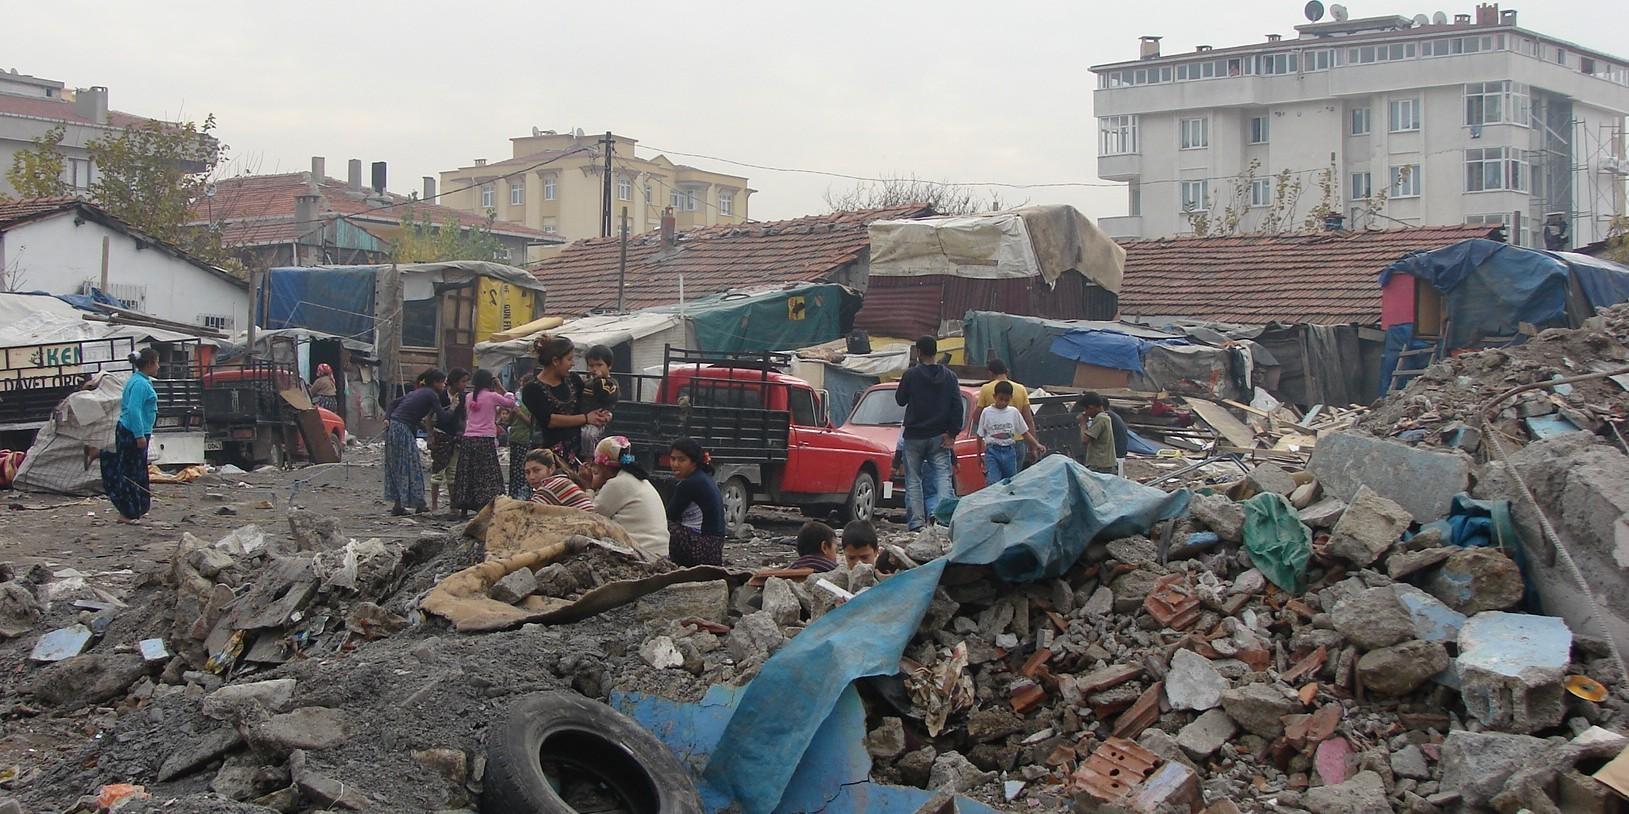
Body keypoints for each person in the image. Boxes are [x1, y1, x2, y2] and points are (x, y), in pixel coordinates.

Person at [895, 336, 962, 531]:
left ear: (919, 352)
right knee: (943, 477)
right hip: (939, 437)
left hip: (914, 436)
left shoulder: (911, 375)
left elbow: (900, 399)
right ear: (935, 352)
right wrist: (952, 433)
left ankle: (916, 523)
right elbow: (957, 407)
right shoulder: (950, 377)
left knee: (913, 480)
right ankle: (943, 520)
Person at [521, 336, 610, 478]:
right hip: (551, 457)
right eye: (569, 359)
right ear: (556, 361)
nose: (572, 364)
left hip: (580, 450)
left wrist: (602, 413)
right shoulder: (531, 389)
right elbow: (551, 420)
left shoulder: (573, 380)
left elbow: (589, 402)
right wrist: (586, 418)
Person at [587, 435, 669, 561]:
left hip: (644, 554)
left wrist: (588, 486)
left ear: (603, 466)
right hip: (659, 553)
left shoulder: (617, 484)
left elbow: (589, 514)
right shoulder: (635, 479)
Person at [102, 348, 159, 524]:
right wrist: (139, 435)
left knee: (133, 469)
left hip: (131, 430)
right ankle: (128, 512)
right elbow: (135, 409)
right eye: (156, 362)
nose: (158, 366)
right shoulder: (140, 384)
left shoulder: (138, 380)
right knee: (131, 472)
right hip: (133, 433)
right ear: (149, 364)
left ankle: (134, 509)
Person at [448, 369, 516, 518]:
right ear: (489, 382)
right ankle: (486, 504)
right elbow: (511, 403)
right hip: (485, 439)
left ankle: (464, 507)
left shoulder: (468, 396)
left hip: (468, 438)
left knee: (467, 472)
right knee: (487, 473)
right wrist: (501, 387)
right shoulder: (492, 396)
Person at [385, 369, 451, 516]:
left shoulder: (418, 392)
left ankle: (399, 505)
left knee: (399, 466)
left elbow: (393, 404)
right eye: (442, 383)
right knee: (411, 465)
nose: (444, 386)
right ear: (435, 383)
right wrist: (454, 408)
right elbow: (442, 417)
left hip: (394, 427)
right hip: (402, 429)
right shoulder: (431, 394)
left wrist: (387, 418)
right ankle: (419, 504)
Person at [665, 437, 726, 567]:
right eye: (673, 458)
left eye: (681, 460)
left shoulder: (690, 484)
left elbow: (669, 515)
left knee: (662, 526)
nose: (675, 464)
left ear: (694, 462)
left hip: (703, 548)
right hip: (714, 549)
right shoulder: (703, 477)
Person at [977, 380, 1045, 486]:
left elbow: (1024, 432)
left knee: (1010, 482)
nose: (1003, 402)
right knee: (993, 482)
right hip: (992, 451)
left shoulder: (1013, 412)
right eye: (1001, 399)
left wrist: (1036, 444)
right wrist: (978, 455)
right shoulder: (987, 412)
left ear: (1010, 399)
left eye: (1006, 400)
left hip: (1009, 451)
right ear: (995, 397)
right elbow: (980, 435)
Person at [976, 358, 1038, 464]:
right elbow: (1029, 420)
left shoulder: (986, 389)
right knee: (1014, 478)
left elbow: (977, 417)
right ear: (1007, 372)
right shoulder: (1021, 388)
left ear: (990, 373)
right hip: (1018, 442)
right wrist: (1033, 446)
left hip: (995, 444)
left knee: (996, 478)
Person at [428, 368, 469, 514]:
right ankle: (434, 506)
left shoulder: (462, 397)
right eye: (463, 381)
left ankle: (453, 506)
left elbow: (463, 418)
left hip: (455, 437)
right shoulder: (440, 396)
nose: (465, 384)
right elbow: (430, 417)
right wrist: (430, 435)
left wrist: (463, 432)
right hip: (441, 435)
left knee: (452, 472)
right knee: (437, 471)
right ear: (454, 381)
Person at [749, 521, 838, 585]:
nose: (836, 555)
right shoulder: (832, 570)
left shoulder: (790, 571)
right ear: (824, 547)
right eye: (835, 549)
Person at [580, 344, 620, 461]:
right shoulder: (588, 383)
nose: (594, 369)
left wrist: (598, 380)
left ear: (609, 366)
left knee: (588, 435)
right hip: (584, 417)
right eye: (591, 365)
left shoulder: (609, 383)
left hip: (598, 418)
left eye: (599, 365)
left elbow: (604, 395)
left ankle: (590, 459)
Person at [524, 448, 595, 512]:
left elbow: (526, 513)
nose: (531, 477)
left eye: (536, 470)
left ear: (551, 469)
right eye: (527, 472)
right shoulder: (563, 480)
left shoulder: (555, 485)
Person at [1077, 392, 1117, 475]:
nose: (1085, 412)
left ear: (1091, 407)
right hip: (1104, 463)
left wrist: (1083, 423)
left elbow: (1085, 440)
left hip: (1100, 465)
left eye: (1086, 410)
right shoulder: (1104, 417)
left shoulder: (1100, 419)